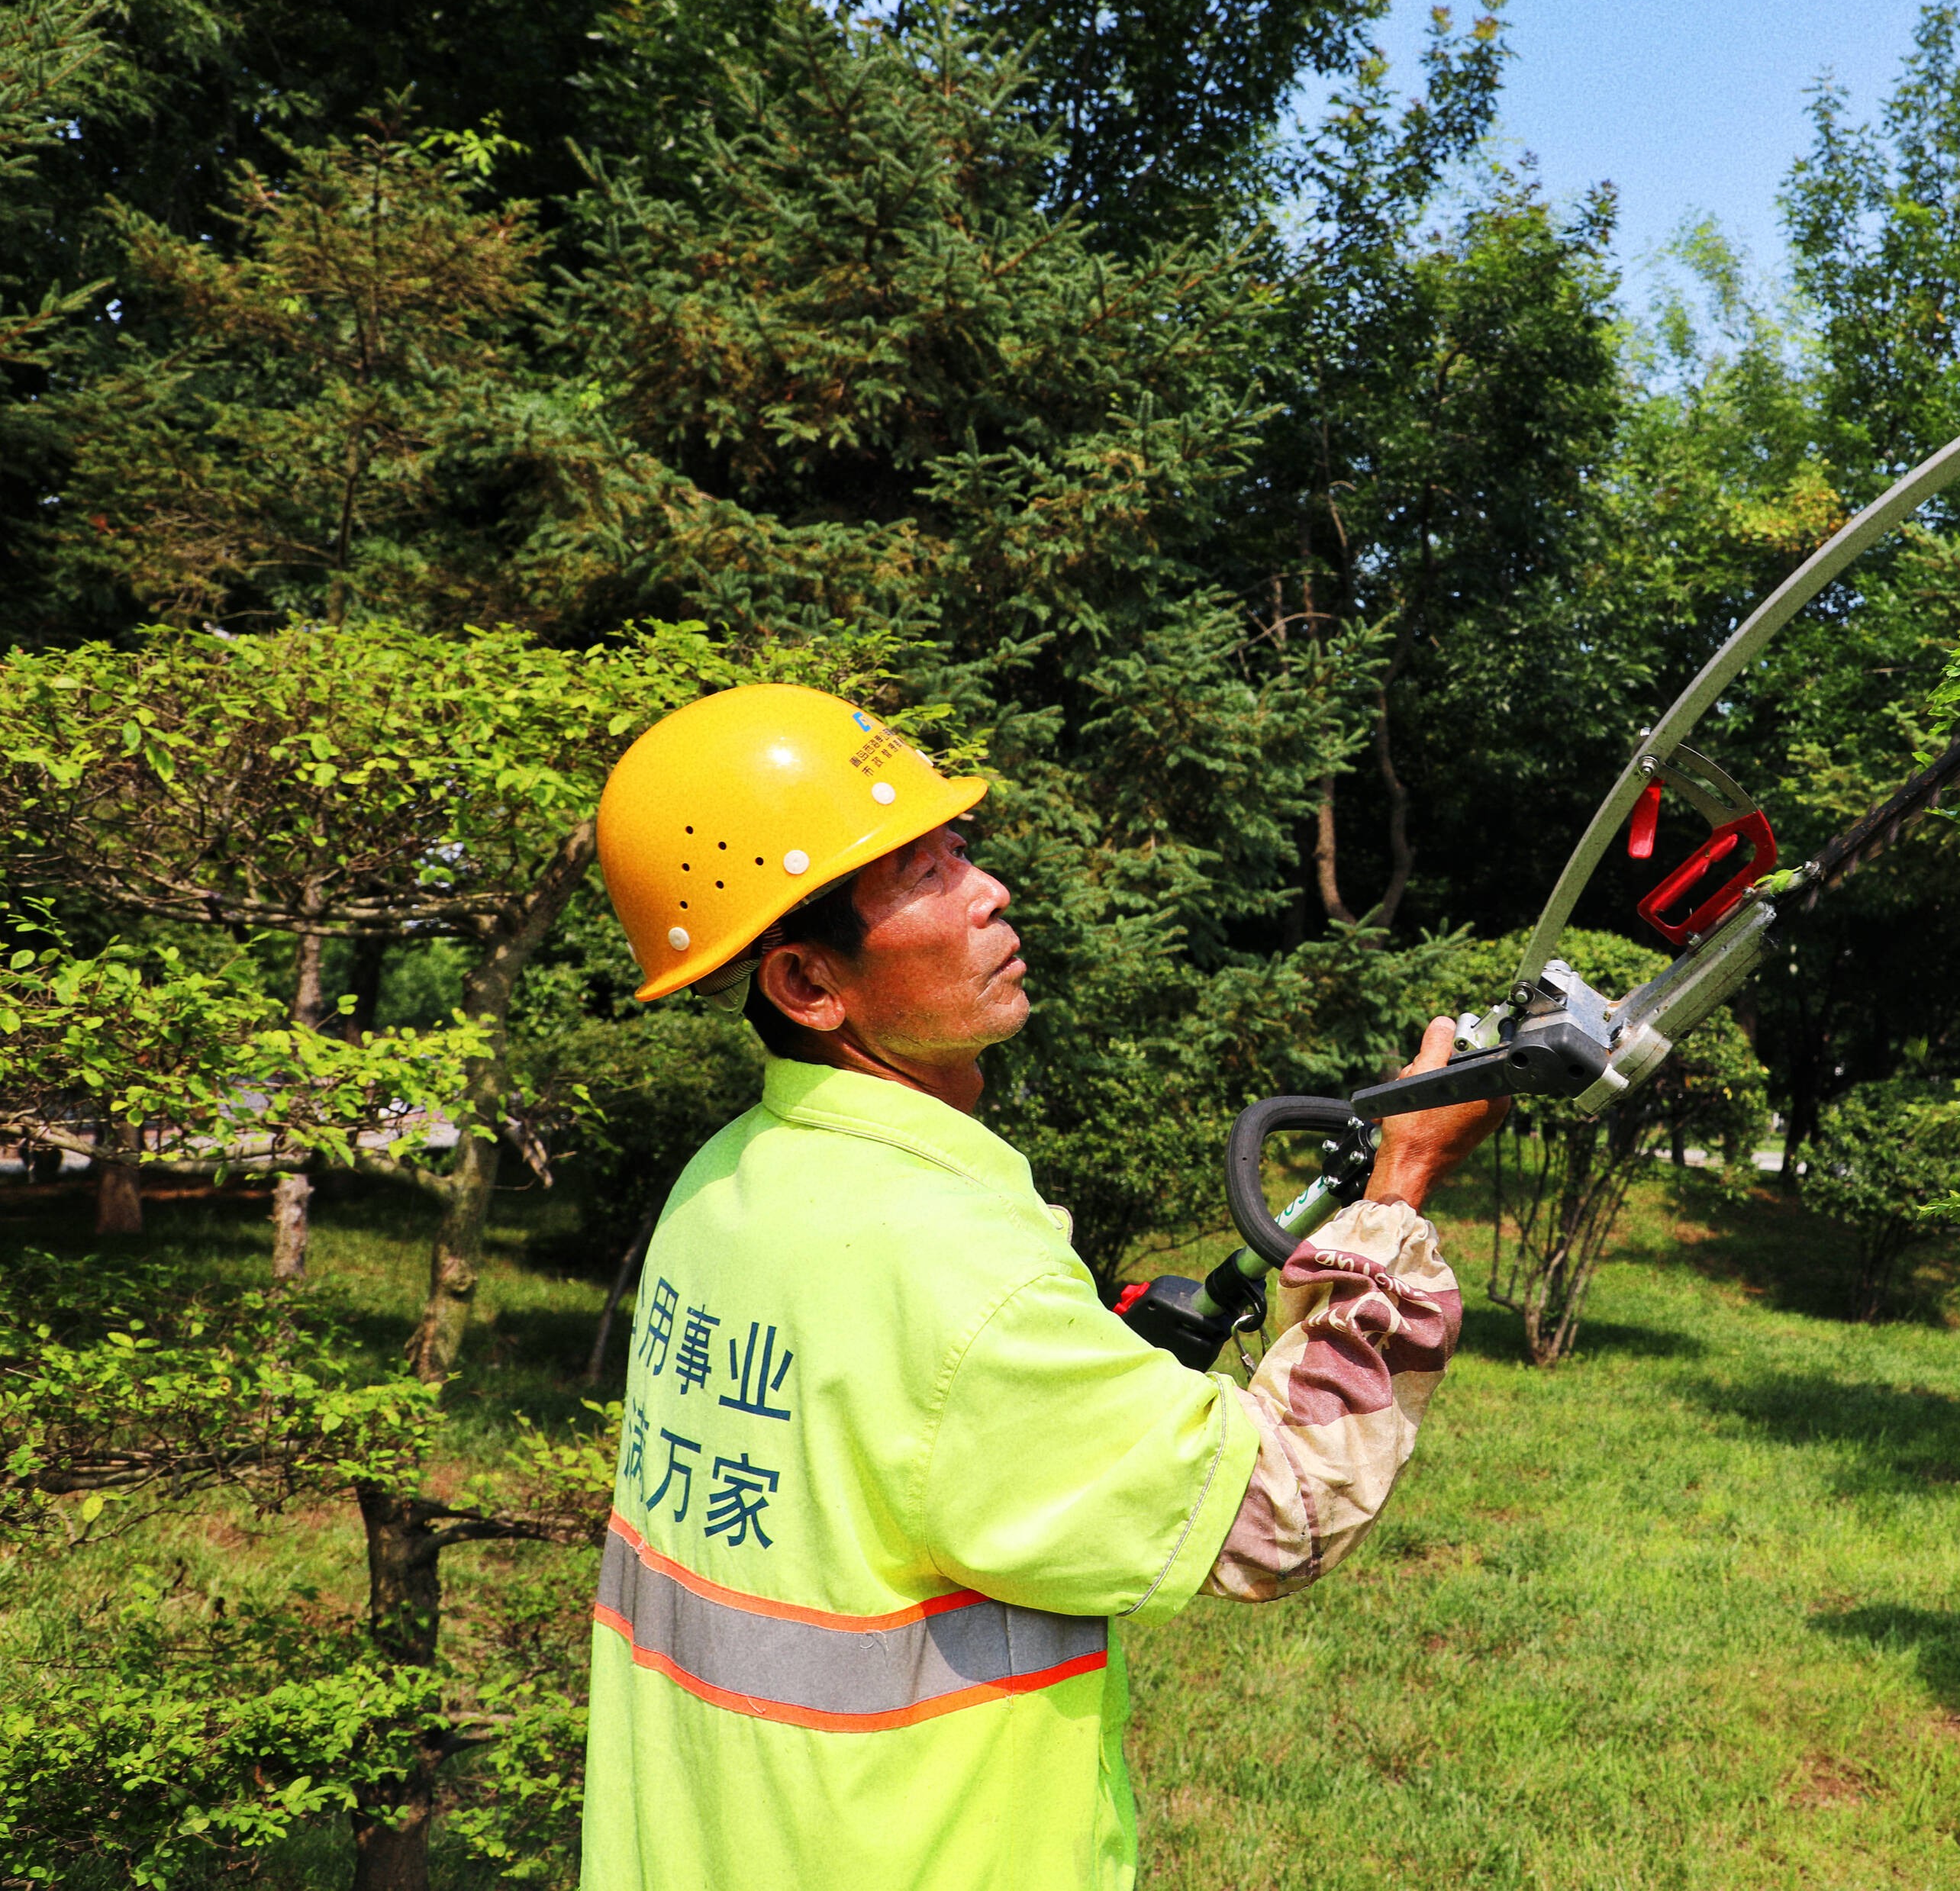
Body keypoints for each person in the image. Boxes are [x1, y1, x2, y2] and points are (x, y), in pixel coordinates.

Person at [581, 683, 1502, 1889]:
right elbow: (1275, 1513)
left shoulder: (722, 1185)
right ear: (810, 985)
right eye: (920, 873)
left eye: (960, 846)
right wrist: (1400, 1192)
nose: (989, 887)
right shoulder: (953, 1268)